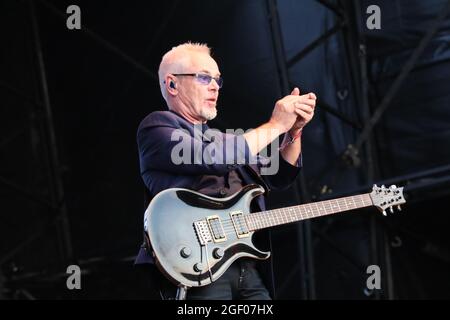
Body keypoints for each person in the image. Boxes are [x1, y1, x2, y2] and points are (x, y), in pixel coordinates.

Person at [135, 42, 316, 300]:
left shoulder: (223, 139)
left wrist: (293, 131)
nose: (214, 87)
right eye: (204, 77)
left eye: (217, 80)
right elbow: (213, 159)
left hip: (247, 267)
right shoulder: (157, 127)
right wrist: (276, 124)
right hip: (198, 267)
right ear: (172, 84)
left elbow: (278, 175)